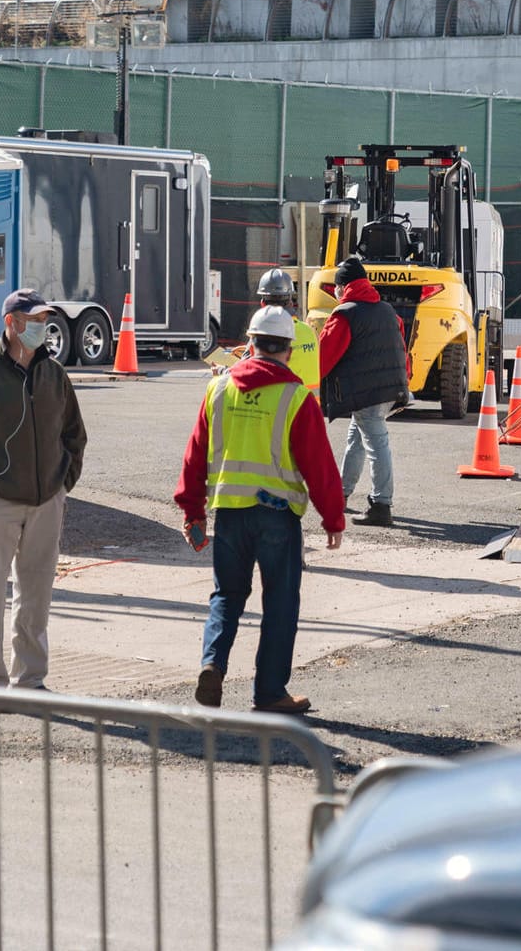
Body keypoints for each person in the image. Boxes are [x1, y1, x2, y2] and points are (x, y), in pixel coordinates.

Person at [176, 306, 345, 714]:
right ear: (288, 349)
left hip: (229, 514)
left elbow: (194, 457)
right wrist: (333, 517)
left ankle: (213, 664)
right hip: (277, 517)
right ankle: (269, 692)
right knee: (281, 602)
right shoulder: (296, 397)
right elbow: (318, 466)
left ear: (250, 344)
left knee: (226, 596)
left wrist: (192, 511)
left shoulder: (218, 390)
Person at [0, 289, 88, 690]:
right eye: (34, 320)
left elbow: (75, 433)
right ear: (12, 323)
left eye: (44, 320)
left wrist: (64, 483)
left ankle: (30, 680)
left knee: (36, 593)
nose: (41, 327)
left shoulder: (53, 374)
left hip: (47, 501)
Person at [318, 258, 409, 528]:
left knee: (376, 443)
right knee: (356, 439)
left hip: (367, 392)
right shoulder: (387, 311)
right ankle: (341, 494)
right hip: (391, 388)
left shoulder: (345, 314)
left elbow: (323, 357)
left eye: (336, 287)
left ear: (342, 286)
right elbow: (402, 350)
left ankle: (382, 504)